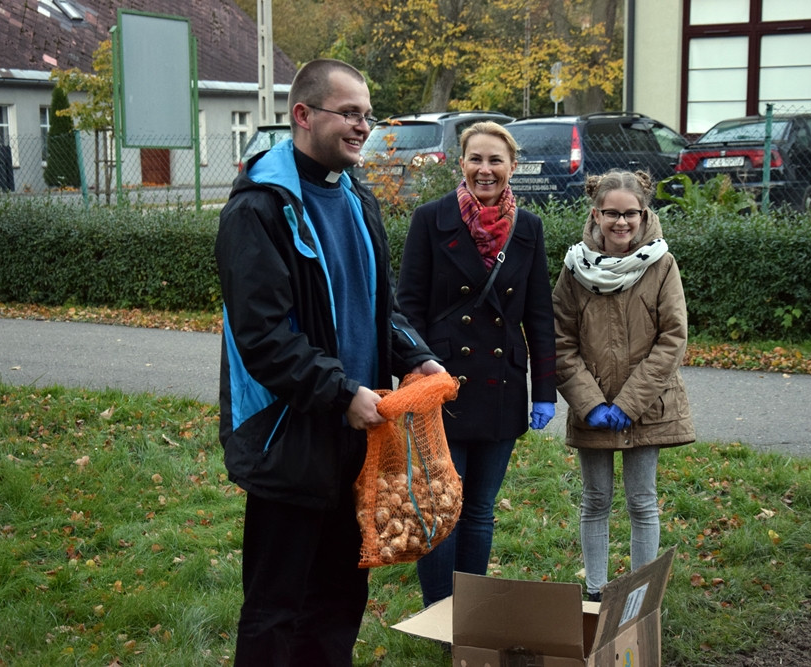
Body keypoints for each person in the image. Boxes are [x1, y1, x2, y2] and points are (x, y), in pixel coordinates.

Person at [214, 58, 444, 666]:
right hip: (290, 437)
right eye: (349, 113)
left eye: (367, 115)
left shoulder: (357, 199)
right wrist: (341, 393)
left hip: (356, 435)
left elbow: (378, 305)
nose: (362, 126)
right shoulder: (259, 209)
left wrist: (413, 356)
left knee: (340, 599)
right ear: (303, 115)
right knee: (275, 609)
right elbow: (264, 337)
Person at [396, 121, 557, 607]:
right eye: (476, 159)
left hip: (502, 384)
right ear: (461, 163)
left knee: (480, 509)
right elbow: (407, 307)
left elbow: (539, 314)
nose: (485, 170)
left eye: (495, 160)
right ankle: (440, 613)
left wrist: (545, 391)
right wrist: (413, 372)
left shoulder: (528, 228)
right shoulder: (431, 219)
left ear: (512, 166)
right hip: (440, 383)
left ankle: (471, 615)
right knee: (441, 506)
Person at [552, 170, 695, 602]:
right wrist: (590, 403)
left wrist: (630, 403)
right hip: (592, 410)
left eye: (630, 213)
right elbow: (560, 342)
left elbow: (673, 337)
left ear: (643, 213)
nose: (621, 222)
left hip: (648, 408)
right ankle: (595, 592)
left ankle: (639, 596)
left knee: (642, 502)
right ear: (596, 213)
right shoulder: (574, 270)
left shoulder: (662, 264)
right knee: (595, 500)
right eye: (611, 213)